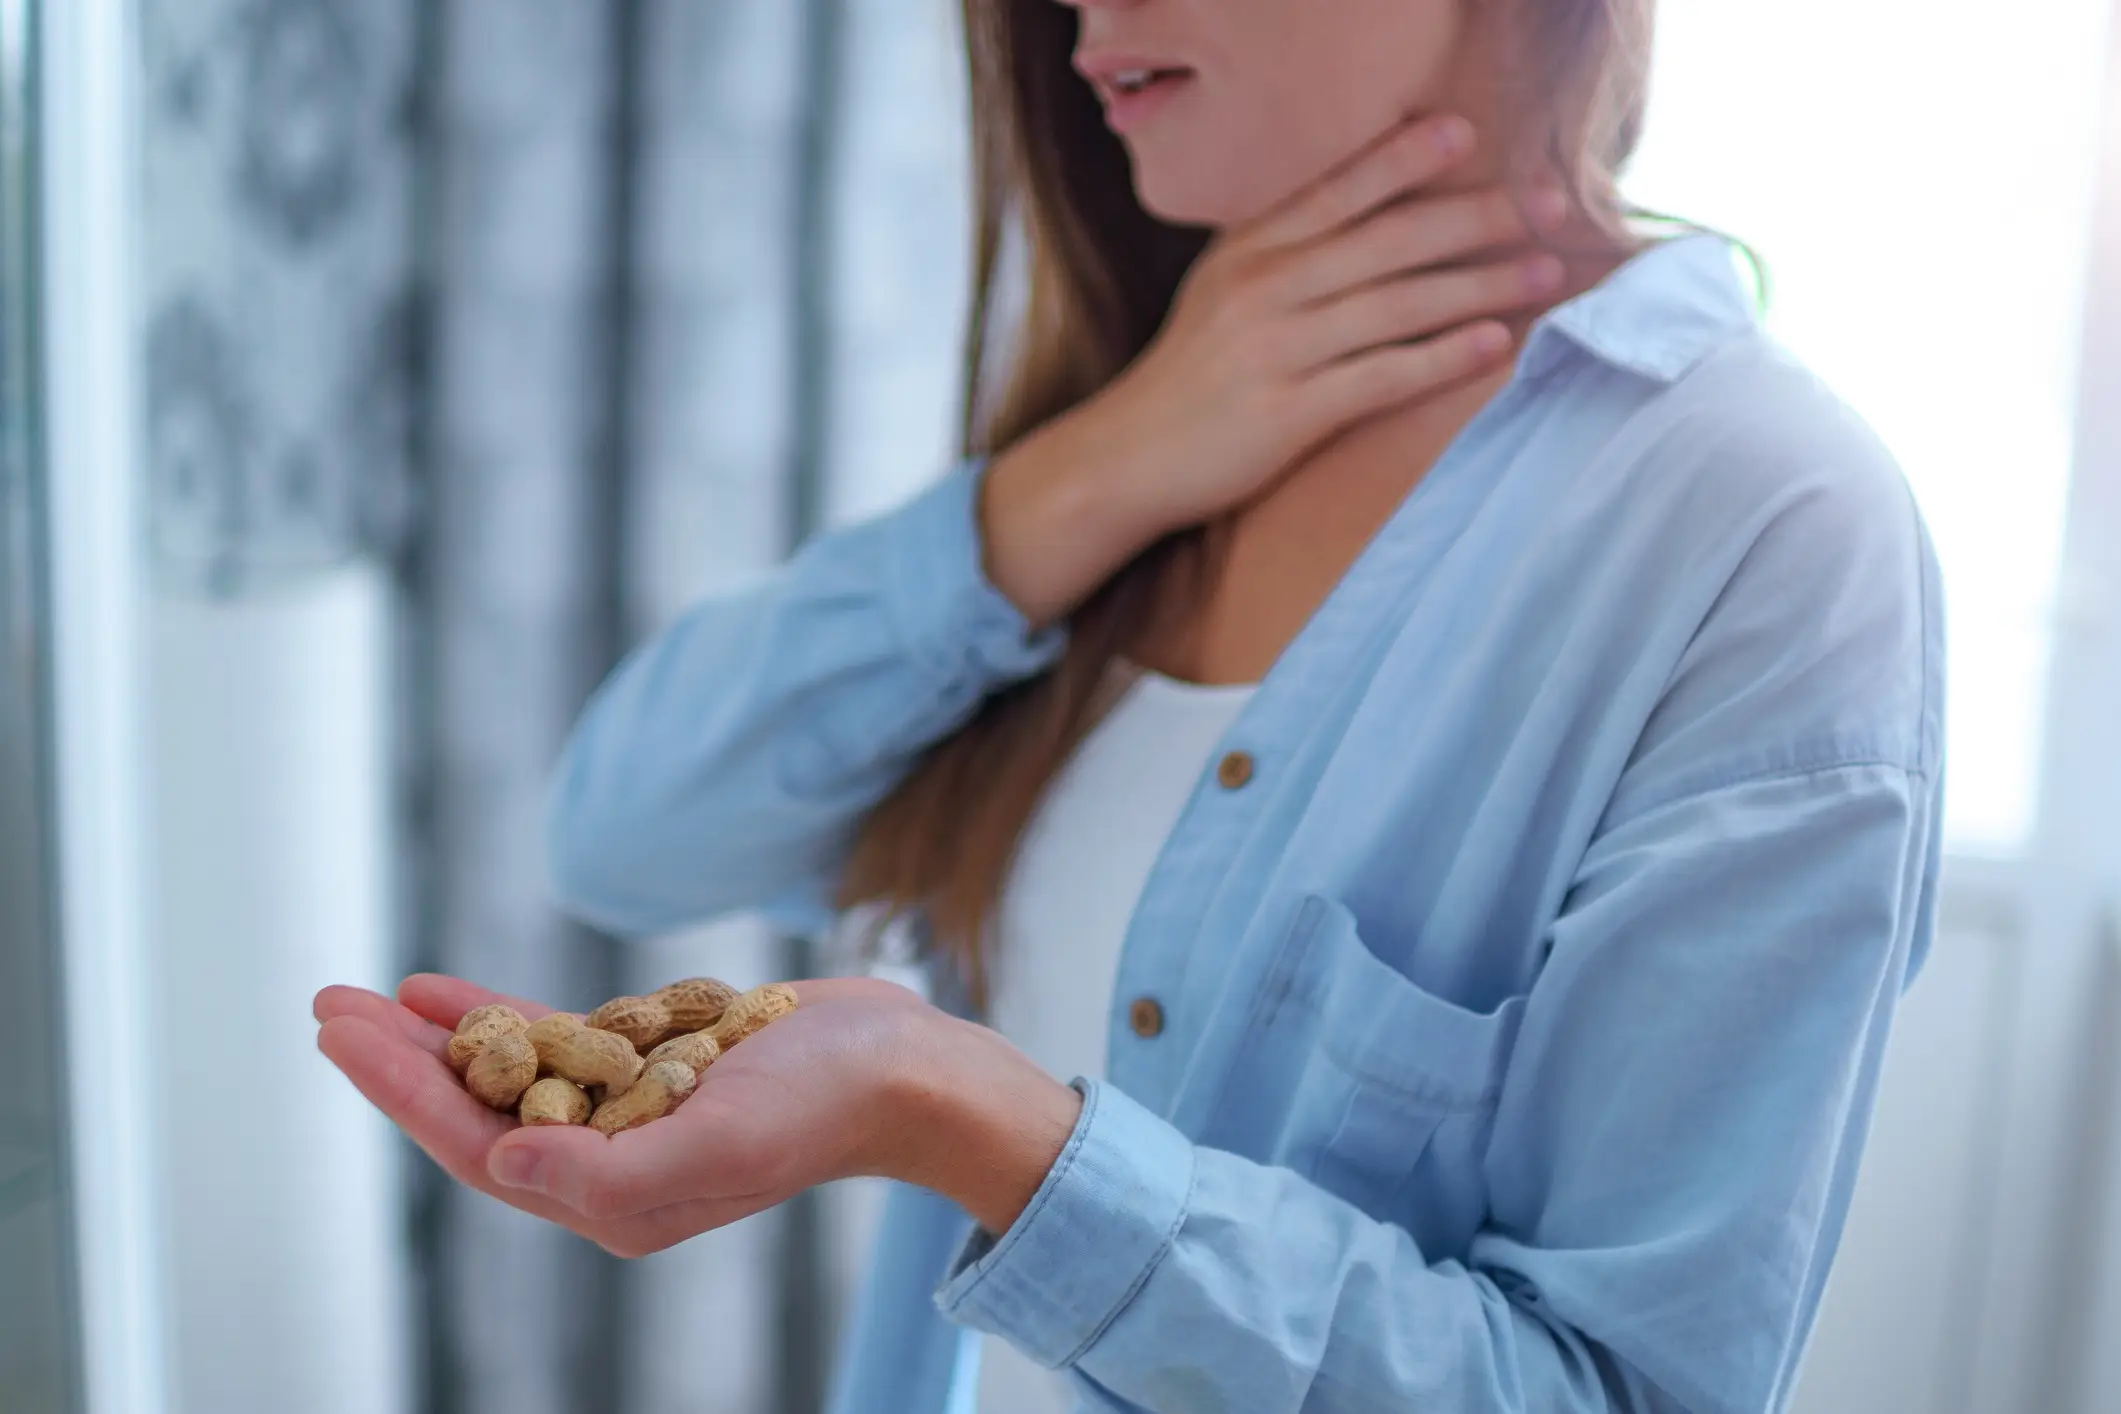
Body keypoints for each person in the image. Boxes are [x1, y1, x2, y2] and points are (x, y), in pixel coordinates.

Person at [316, 0, 1946, 1410]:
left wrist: (961, 1113)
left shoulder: (1766, 528)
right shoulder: (1139, 420)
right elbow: (624, 826)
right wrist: (1099, 468)